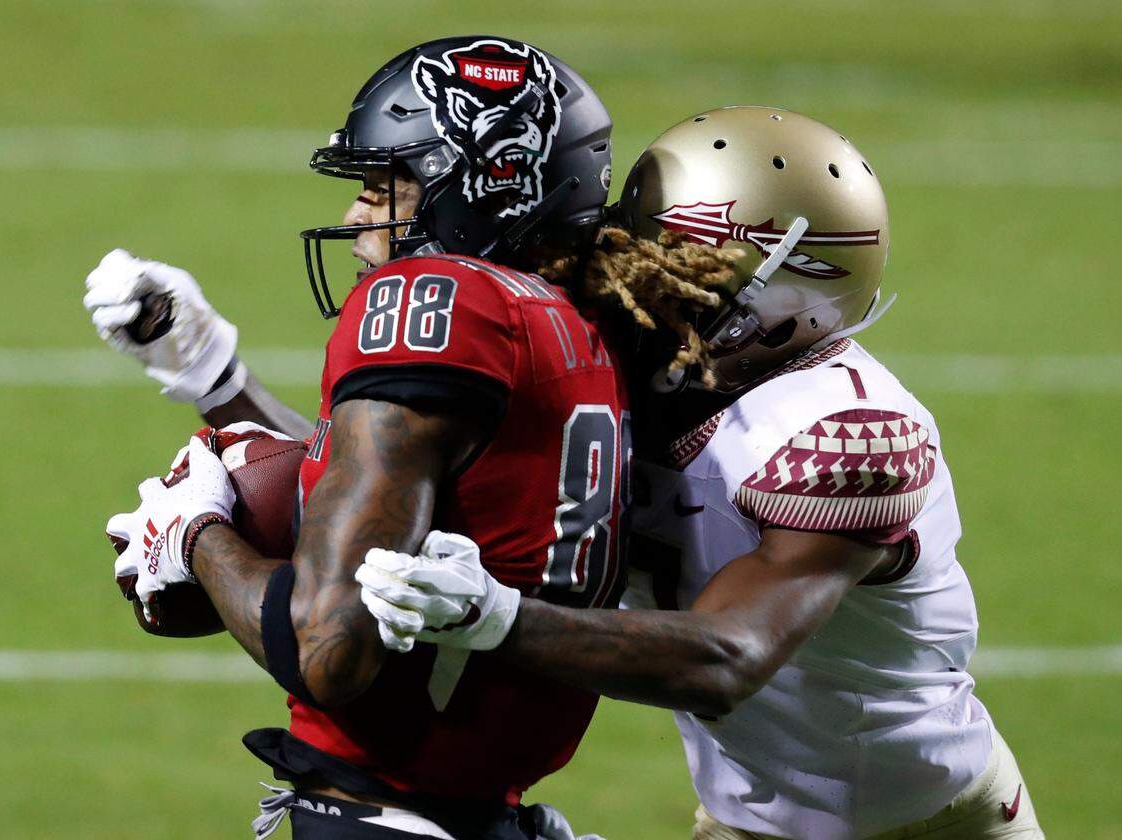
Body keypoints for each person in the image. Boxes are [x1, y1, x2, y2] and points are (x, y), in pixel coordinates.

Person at [354, 107, 1045, 839]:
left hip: (927, 825)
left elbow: (724, 660)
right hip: (742, 818)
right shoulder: (632, 373)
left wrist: (490, 615)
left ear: (774, 296)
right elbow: (386, 473)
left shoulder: (846, 431)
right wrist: (220, 376)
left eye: (673, 272)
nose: (623, 284)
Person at [94, 36, 628, 839]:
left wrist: (194, 536)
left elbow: (329, 651)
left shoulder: (437, 298)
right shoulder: (567, 317)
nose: (356, 213)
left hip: (391, 814)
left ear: (488, 182)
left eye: (390, 184)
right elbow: (399, 488)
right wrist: (210, 376)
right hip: (479, 806)